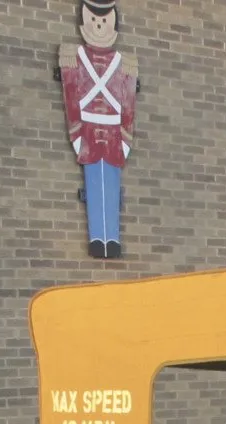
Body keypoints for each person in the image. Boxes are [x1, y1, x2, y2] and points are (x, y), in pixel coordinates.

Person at [59, 1, 138, 259]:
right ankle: (97, 238)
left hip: (114, 134)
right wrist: (76, 133)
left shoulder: (122, 63)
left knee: (112, 188)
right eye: (95, 20)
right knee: (93, 186)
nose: (99, 26)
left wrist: (125, 138)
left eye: (104, 21)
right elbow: (72, 95)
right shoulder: (77, 58)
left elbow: (127, 101)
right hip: (90, 130)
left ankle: (111, 238)